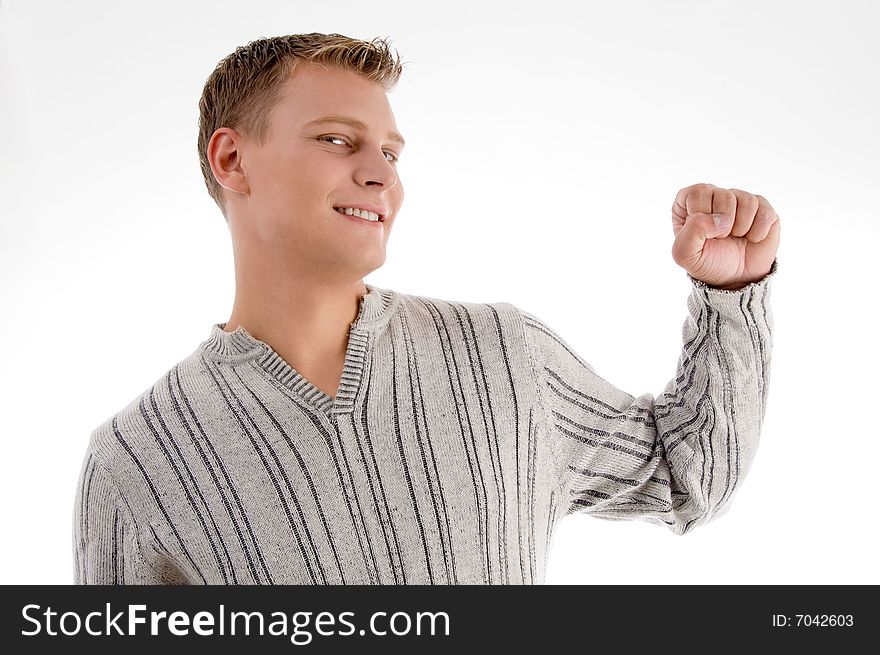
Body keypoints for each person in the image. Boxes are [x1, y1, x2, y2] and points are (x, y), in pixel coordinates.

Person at [72, 33, 780, 585]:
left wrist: (730, 296)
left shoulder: (504, 355)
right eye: (336, 140)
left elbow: (689, 478)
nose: (380, 173)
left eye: (390, 151)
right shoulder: (136, 460)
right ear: (231, 161)